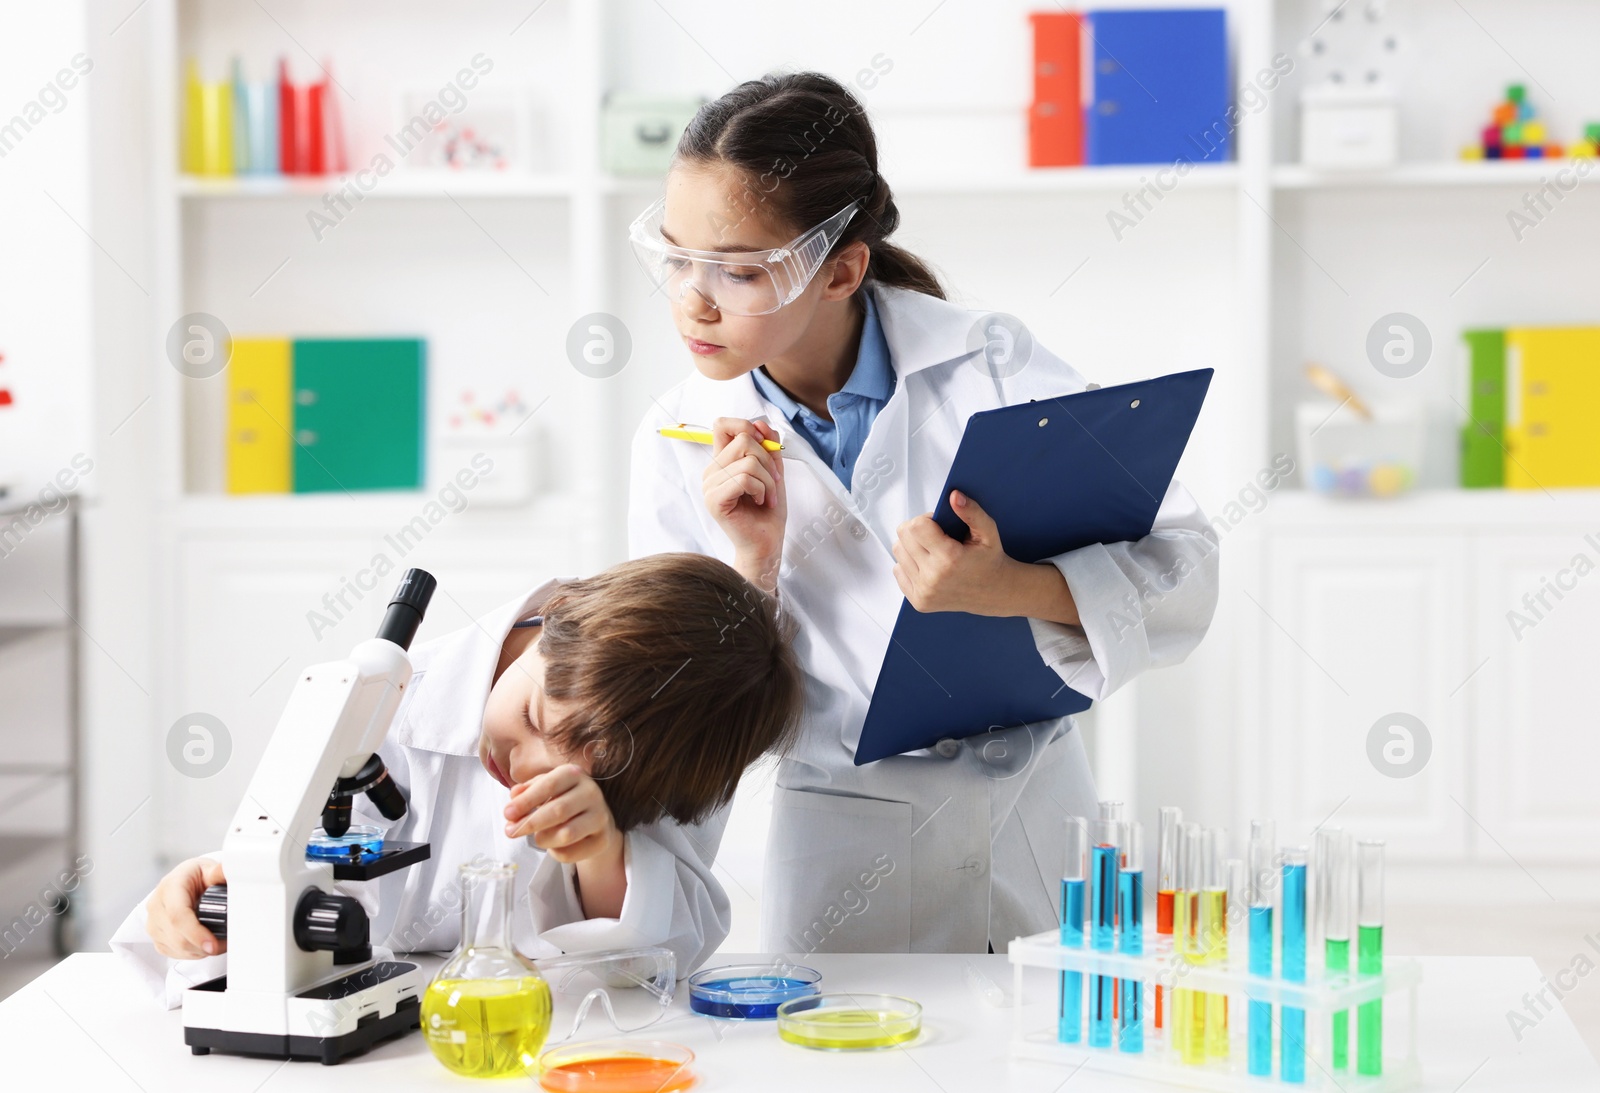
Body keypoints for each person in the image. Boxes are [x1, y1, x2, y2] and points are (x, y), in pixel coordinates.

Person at [627, 73, 1219, 954]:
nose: (692, 300)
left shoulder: (990, 364)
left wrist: (1016, 585)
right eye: (675, 257)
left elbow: (1187, 568)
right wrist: (754, 567)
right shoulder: (676, 443)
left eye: (739, 270)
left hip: (1033, 820)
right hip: (843, 848)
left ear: (843, 270)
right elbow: (683, 715)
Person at [112, 553, 801, 1006]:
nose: (527, 766)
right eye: (533, 716)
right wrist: (218, 896)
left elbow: (665, 950)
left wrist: (601, 852)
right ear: (552, 616)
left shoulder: (662, 757)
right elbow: (273, 876)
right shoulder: (382, 705)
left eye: (568, 774)